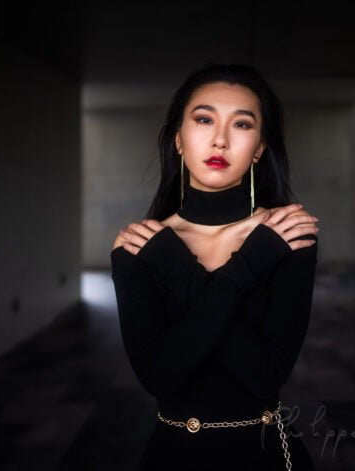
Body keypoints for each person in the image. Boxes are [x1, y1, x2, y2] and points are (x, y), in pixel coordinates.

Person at [110, 63, 320, 470]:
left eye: (242, 125)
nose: (220, 139)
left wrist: (182, 268)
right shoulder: (139, 250)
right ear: (178, 139)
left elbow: (265, 375)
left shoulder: (288, 238)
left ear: (259, 147)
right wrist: (245, 265)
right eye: (204, 119)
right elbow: (160, 375)